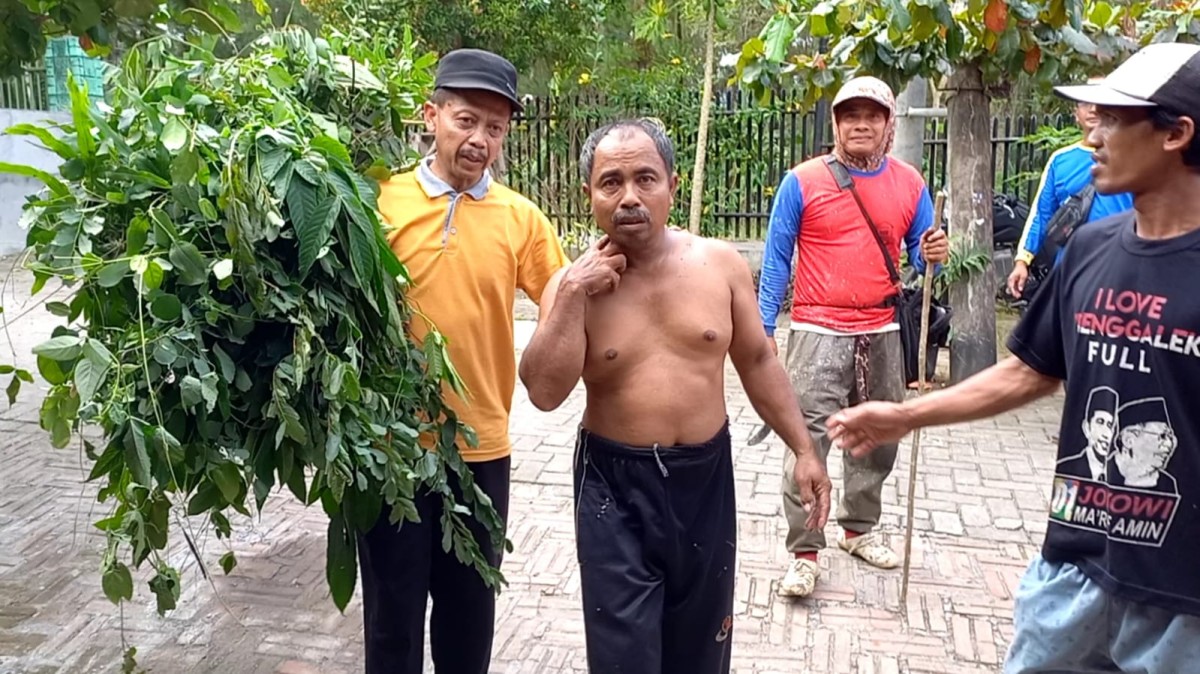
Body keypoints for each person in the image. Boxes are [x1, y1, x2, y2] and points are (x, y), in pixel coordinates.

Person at [827, 42, 1200, 673]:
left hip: (1182, 601)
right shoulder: (1091, 250)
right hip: (1072, 571)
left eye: (1114, 120)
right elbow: (1029, 371)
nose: (1094, 135)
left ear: (1176, 133)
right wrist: (906, 417)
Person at [517, 118, 832, 673]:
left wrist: (804, 449)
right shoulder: (571, 285)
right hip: (613, 488)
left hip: (703, 479)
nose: (629, 197)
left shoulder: (719, 265)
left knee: (701, 647)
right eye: (611, 182)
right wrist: (570, 295)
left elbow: (758, 360)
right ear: (589, 194)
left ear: (672, 186)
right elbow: (543, 392)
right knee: (624, 657)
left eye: (645, 179)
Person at [363, 48, 569, 674]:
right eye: (466, 120)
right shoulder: (377, 201)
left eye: (495, 127)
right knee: (392, 623)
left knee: (468, 619)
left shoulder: (521, 219)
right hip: (390, 448)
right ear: (432, 116)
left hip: (479, 449)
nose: (480, 139)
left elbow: (564, 299)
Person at [756, 76, 950, 599]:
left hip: (882, 329)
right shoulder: (802, 181)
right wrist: (764, 327)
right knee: (807, 440)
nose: (860, 125)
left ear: (889, 125)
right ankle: (804, 552)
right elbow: (776, 258)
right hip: (817, 329)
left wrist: (932, 252)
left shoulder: (910, 183)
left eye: (872, 116)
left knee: (878, 434)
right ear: (836, 124)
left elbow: (920, 255)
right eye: (850, 116)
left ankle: (858, 529)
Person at [1006, 77, 1134, 299]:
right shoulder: (1060, 160)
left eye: (1101, 101)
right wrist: (1022, 261)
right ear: (1076, 114)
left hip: (1120, 268)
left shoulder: (1135, 158)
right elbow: (1041, 214)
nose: (1093, 109)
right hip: (1070, 270)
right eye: (1085, 102)